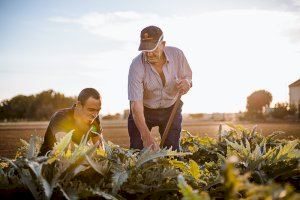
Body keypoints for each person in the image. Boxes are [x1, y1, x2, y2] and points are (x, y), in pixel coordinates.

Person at [127, 25, 192, 151]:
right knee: (137, 151)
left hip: (171, 108)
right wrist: (146, 138)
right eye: (146, 49)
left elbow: (188, 77)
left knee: (172, 152)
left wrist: (187, 83)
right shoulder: (136, 66)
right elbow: (136, 105)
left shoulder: (177, 55)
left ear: (163, 44)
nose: (149, 54)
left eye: (153, 48)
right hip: (144, 110)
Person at [39, 88, 103, 156]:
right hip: (48, 162)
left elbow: (100, 148)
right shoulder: (61, 117)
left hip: (78, 162)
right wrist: (91, 154)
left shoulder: (95, 120)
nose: (95, 115)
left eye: (98, 110)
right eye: (91, 110)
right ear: (78, 105)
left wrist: (100, 155)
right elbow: (66, 147)